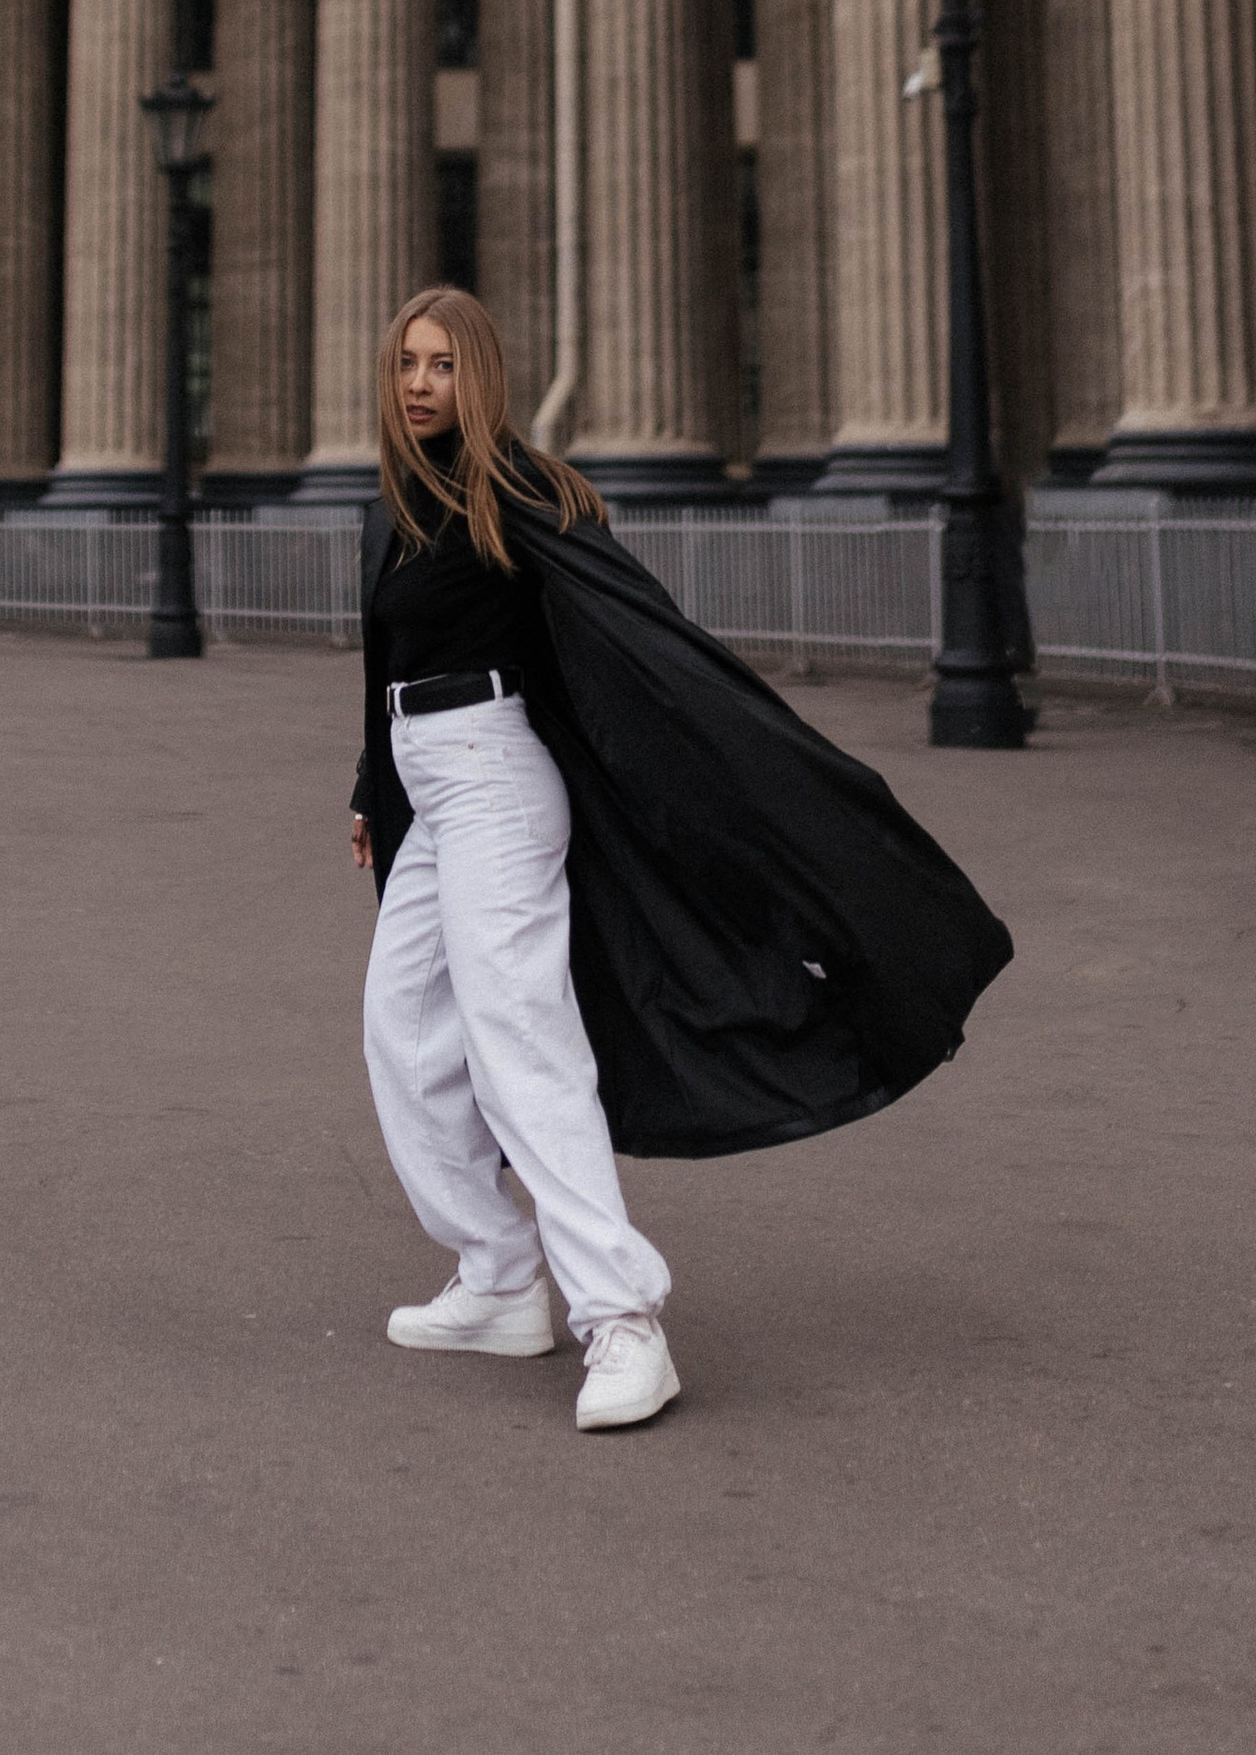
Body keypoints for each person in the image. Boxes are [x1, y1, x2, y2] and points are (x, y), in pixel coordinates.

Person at [351, 286, 1013, 1436]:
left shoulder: (519, 490)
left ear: (481, 376)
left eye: (442, 365)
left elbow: (641, 646)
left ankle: (622, 1320)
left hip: (500, 782)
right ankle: (501, 1279)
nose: (419, 384)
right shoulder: (398, 505)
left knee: (519, 1039)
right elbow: (387, 666)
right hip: (428, 780)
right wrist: (372, 786)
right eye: (406, 362)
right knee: (403, 1030)